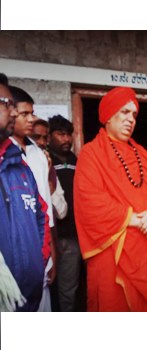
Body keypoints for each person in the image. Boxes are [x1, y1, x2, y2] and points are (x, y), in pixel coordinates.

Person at [73, 86, 147, 311]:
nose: (131, 119)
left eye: (134, 115)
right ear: (108, 116)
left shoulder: (143, 154)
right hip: (114, 249)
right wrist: (138, 221)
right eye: (124, 112)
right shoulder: (91, 154)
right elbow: (90, 203)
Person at [0, 75, 47, 312]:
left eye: (12, 105)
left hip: (29, 296)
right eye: (5, 103)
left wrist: (39, 260)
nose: (12, 112)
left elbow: (40, 216)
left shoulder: (20, 164)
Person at [9, 85, 56, 312]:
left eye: (32, 113)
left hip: (42, 244)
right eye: (25, 113)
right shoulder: (6, 155)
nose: (32, 119)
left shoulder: (38, 154)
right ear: (10, 113)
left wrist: (51, 254)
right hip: (16, 251)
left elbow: (45, 209)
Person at [48, 115, 84, 312]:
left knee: (71, 287)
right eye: (61, 134)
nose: (66, 139)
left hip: (76, 234)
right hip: (54, 235)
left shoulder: (75, 160)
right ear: (50, 135)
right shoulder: (44, 159)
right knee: (54, 287)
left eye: (69, 134)